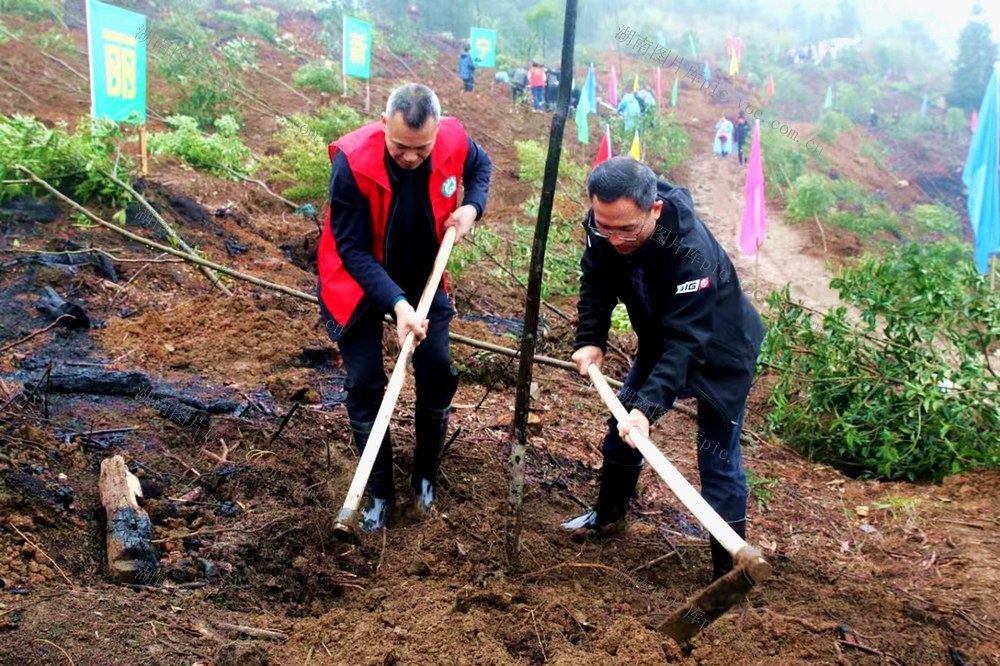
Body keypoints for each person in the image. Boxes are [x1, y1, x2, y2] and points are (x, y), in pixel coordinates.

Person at [563, 157, 765, 581]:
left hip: (721, 352)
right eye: (604, 227)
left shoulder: (692, 251)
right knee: (621, 430)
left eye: (626, 230)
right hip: (662, 341)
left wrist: (648, 410)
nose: (614, 239)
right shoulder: (605, 226)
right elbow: (596, 281)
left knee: (717, 458)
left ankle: (729, 572)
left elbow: (688, 342)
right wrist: (591, 338)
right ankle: (608, 517)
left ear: (654, 210)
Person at [318, 84, 492, 532]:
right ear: (383, 124)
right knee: (365, 382)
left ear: (436, 133)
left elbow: (481, 167)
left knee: (436, 368)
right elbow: (352, 249)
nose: (411, 157)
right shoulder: (352, 162)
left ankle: (425, 477)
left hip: (422, 273)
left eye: (422, 148)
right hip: (355, 278)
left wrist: (472, 207)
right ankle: (378, 493)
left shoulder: (453, 138)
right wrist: (396, 304)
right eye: (400, 147)